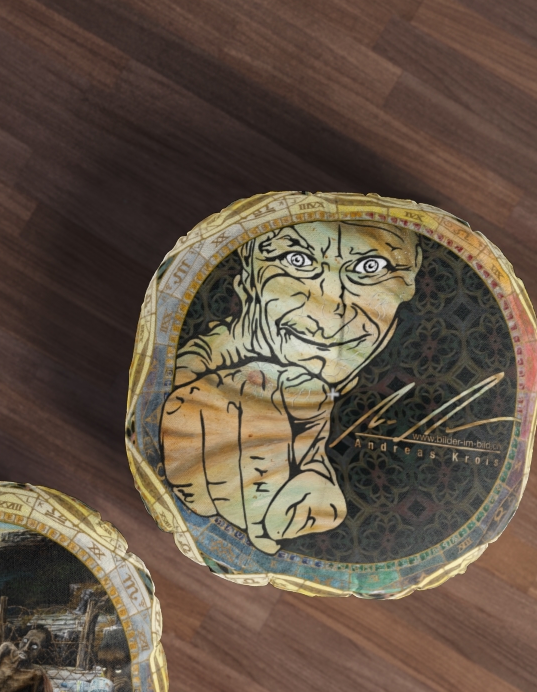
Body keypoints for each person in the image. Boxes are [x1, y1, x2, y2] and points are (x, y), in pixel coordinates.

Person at [161, 221, 422, 554]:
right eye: (297, 260)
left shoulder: (346, 388)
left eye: (370, 267)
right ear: (248, 278)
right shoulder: (200, 397)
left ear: (408, 284)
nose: (329, 314)